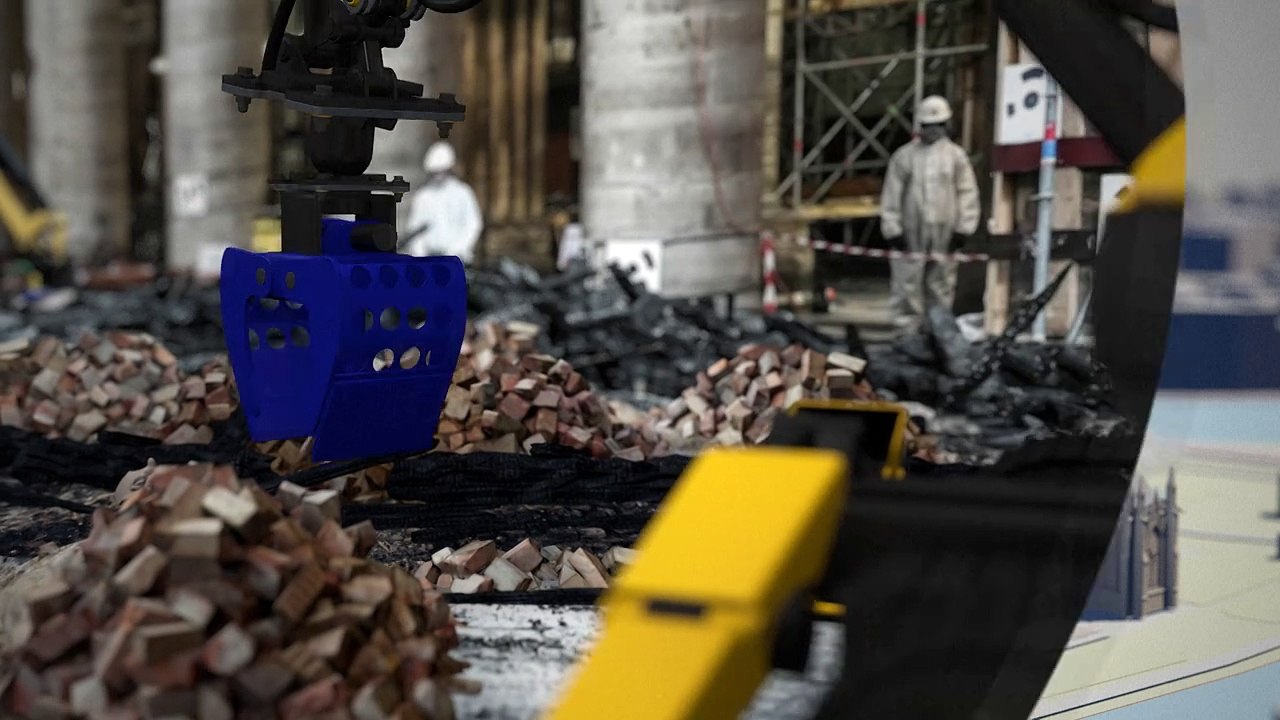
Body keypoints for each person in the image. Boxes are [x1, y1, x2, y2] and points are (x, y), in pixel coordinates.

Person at [879, 95, 981, 333]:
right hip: (910, 231)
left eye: (938, 125)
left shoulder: (956, 157)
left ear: (946, 125)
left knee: (941, 282)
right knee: (907, 283)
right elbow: (891, 195)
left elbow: (967, 192)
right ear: (919, 125)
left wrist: (964, 228)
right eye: (928, 125)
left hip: (946, 232)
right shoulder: (904, 157)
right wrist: (893, 229)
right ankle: (906, 332)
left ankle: (938, 332)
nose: (932, 130)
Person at [403, 141, 484, 264]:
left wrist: (458, 250)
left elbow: (473, 224)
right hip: (429, 260)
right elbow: (415, 228)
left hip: (458, 261)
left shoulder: (462, 192)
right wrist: (420, 254)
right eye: (435, 172)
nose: (438, 176)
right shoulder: (423, 196)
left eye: (441, 171)